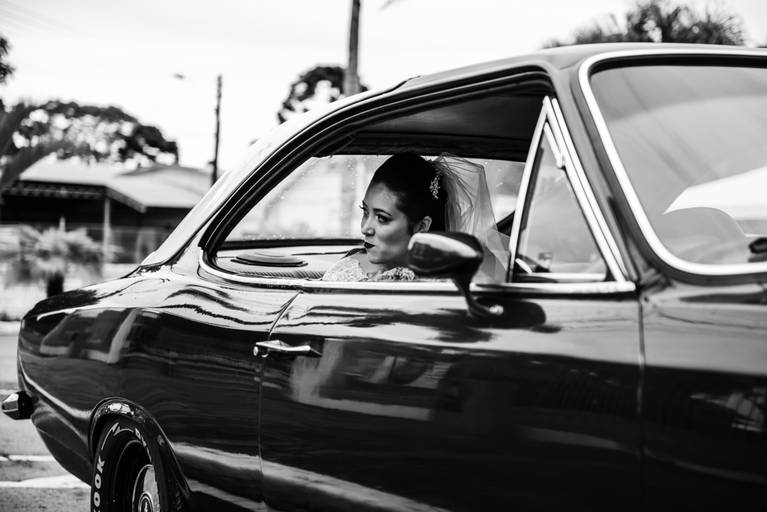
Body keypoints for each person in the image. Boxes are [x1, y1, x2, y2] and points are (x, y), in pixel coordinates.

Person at [322, 152, 447, 282]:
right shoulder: (345, 271)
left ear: (421, 227)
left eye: (382, 218)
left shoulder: (443, 282)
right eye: (365, 211)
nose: (365, 229)